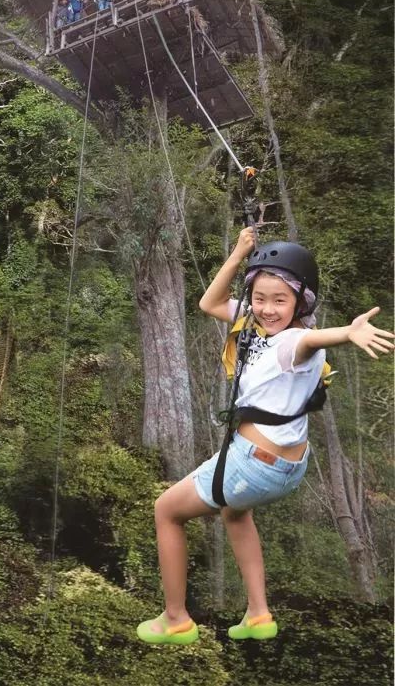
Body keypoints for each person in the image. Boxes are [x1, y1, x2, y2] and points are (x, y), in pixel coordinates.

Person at [137, 228, 393, 645]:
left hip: (253, 464)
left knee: (166, 510)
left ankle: (175, 618)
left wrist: (348, 332)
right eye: (260, 298)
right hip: (285, 465)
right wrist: (239, 254)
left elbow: (312, 338)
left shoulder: (294, 341)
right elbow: (210, 303)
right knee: (235, 513)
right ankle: (258, 614)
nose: (268, 309)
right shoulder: (258, 325)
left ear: (301, 301)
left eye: (280, 300)